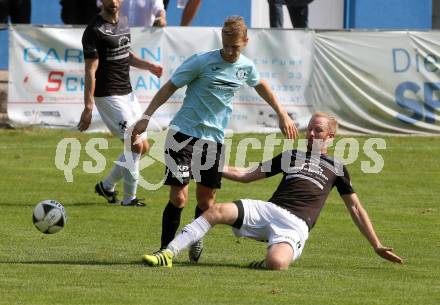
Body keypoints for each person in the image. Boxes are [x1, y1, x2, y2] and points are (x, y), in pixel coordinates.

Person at [142, 112, 404, 270]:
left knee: (277, 264)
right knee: (215, 210)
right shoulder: (291, 155)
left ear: (330, 137)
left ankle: (267, 260)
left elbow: (356, 208)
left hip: (296, 226)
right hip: (269, 210)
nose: (311, 133)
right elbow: (246, 175)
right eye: (310, 128)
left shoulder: (336, 167)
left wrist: (377, 245)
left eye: (318, 130)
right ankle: (168, 253)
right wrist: (209, 165)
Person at [132, 15, 297, 262]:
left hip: (214, 140)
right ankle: (165, 250)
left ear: (246, 42)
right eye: (226, 45)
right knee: (179, 197)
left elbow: (260, 84)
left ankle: (194, 238)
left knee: (206, 201)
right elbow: (169, 87)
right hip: (183, 134)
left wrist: (282, 113)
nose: (230, 51)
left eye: (236, 47)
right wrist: (145, 117)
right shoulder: (201, 61)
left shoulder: (246, 67)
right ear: (222, 39)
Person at [79, 0, 163, 206]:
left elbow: (127, 54)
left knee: (143, 147)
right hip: (108, 95)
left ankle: (106, 186)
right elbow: (90, 70)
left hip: (128, 93)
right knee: (134, 143)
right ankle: (129, 199)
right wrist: (88, 106)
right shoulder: (94, 31)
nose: (113, 2)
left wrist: (148, 65)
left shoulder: (124, 22)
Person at [97, 0, 167, 27]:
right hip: (117, 37)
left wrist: (161, 19)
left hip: (145, 40)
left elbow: (159, 10)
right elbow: (102, 5)